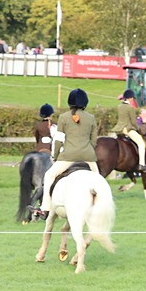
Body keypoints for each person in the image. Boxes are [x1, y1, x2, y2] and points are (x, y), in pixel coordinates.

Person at [34, 89, 97, 220]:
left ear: (70, 103)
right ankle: (101, 205)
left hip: (68, 156)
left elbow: (59, 140)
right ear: (85, 103)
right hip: (88, 157)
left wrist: (55, 156)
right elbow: (93, 141)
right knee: (100, 181)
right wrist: (86, 151)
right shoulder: (91, 118)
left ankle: (45, 208)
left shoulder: (63, 117)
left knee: (49, 175)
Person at [113, 89, 146, 173]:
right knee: (141, 143)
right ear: (130, 98)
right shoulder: (130, 108)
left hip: (119, 129)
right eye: (132, 98)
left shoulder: (119, 106)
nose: (133, 99)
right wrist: (138, 129)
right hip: (127, 129)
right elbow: (133, 122)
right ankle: (142, 164)